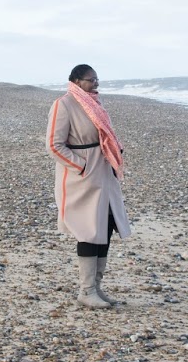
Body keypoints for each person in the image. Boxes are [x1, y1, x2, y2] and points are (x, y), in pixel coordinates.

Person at [45, 63, 132, 308]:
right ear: (76, 81)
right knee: (88, 229)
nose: (95, 83)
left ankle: (97, 288)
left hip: (104, 173)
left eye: (96, 79)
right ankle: (86, 290)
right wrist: (82, 166)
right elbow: (54, 145)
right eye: (90, 79)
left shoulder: (96, 103)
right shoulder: (64, 104)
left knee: (106, 225)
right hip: (82, 177)